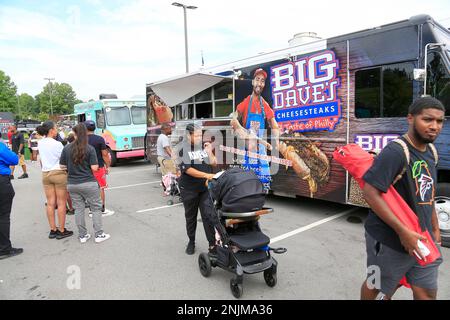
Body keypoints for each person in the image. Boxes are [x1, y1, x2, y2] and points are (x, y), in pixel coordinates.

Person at [360, 96, 445, 300]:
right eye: (427, 119)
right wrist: (403, 232)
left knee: (426, 292)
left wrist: (434, 227)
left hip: (422, 238)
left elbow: (427, 193)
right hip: (388, 238)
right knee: (377, 285)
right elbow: (370, 192)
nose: (434, 126)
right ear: (410, 118)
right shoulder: (395, 151)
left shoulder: (431, 151)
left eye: (439, 121)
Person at [60, 123, 110, 244]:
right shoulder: (89, 148)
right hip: (88, 182)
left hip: (72, 184)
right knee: (96, 208)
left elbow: (62, 166)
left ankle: (82, 235)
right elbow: (94, 167)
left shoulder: (66, 148)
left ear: (75, 133)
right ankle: (99, 234)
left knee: (78, 209)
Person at [231, 68, 280, 189]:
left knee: (264, 181)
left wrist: (276, 140)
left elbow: (274, 124)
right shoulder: (246, 102)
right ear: (253, 82)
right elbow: (234, 116)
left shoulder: (265, 105)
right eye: (257, 80)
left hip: (261, 149)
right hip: (248, 148)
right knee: (249, 180)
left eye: (262, 81)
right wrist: (236, 124)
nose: (259, 83)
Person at [176, 123, 217, 255]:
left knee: (208, 216)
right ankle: (191, 242)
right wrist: (207, 175)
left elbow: (214, 162)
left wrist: (210, 151)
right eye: (197, 135)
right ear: (189, 135)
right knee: (191, 217)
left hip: (204, 189)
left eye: (201, 134)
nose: (200, 137)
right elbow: (188, 169)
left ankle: (212, 245)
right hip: (189, 189)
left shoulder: (203, 146)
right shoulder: (183, 148)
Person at [37, 122, 73, 240]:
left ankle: (53, 230)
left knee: (50, 202)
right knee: (61, 202)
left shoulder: (40, 143)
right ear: (51, 130)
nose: (57, 130)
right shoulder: (57, 144)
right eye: (55, 128)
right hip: (58, 173)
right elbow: (63, 160)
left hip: (46, 173)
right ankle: (62, 230)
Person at [0, 132, 23, 260]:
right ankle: (4, 248)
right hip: (1, 180)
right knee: (3, 215)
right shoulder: (1, 146)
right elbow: (14, 159)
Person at [85, 120, 114, 216]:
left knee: (89, 188)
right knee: (100, 187)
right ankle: (101, 208)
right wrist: (108, 166)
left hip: (85, 168)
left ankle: (91, 209)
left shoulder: (82, 140)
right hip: (98, 167)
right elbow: (105, 154)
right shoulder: (99, 139)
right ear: (94, 128)